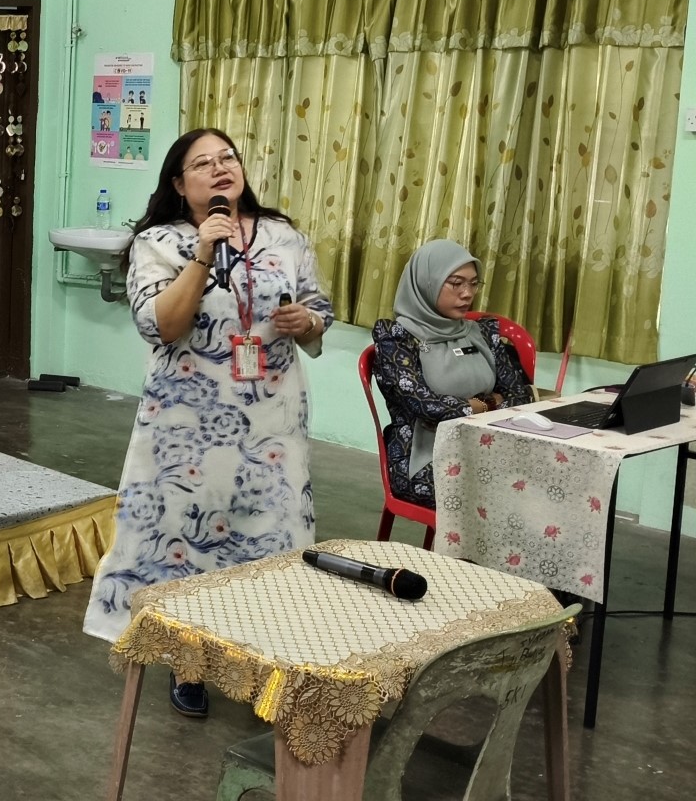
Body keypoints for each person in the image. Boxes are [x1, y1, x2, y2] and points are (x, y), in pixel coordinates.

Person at [84, 128, 334, 719]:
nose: (221, 169)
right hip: (186, 427)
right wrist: (202, 252)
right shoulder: (159, 243)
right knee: (186, 542)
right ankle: (187, 662)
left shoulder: (284, 236)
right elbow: (162, 325)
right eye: (203, 163)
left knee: (271, 538)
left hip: (271, 420)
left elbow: (319, 309)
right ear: (179, 183)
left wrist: (308, 322)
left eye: (228, 158)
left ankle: (268, 663)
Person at [370, 240, 532, 509]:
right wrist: (493, 401)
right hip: (424, 460)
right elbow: (427, 406)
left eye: (473, 283)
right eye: (456, 283)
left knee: (549, 478)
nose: (467, 293)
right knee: (512, 494)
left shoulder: (482, 333)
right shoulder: (397, 338)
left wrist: (476, 406)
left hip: (487, 449)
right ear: (426, 282)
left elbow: (521, 395)